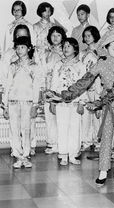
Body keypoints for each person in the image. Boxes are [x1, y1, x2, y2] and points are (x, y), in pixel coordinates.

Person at [46, 32, 114, 184]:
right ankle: (103, 170)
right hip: (108, 103)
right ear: (105, 47)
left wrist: (98, 103)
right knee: (106, 135)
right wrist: (64, 95)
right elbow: (84, 82)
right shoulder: (100, 63)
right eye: (113, 46)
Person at [2, 36, 41, 168]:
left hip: (27, 102)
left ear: (29, 48)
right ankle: (17, 155)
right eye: (17, 48)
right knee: (14, 129)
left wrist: (35, 104)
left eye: (22, 47)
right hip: (13, 101)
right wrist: (5, 105)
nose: (19, 50)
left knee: (26, 129)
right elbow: (7, 85)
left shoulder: (34, 66)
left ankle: (25, 155)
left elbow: (36, 86)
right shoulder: (13, 66)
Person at [50, 38, 86, 165]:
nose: (65, 48)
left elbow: (83, 85)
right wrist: (53, 102)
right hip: (61, 101)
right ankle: (63, 154)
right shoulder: (58, 65)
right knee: (62, 126)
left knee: (75, 128)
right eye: (64, 46)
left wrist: (82, 102)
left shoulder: (80, 65)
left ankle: (73, 154)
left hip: (75, 101)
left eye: (69, 46)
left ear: (75, 49)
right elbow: (54, 84)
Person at [43, 26, 66, 155]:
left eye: (58, 35)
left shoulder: (66, 51)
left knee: (61, 117)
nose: (55, 38)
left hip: (61, 87)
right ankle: (52, 143)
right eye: (53, 35)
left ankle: (62, 143)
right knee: (49, 115)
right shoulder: (46, 52)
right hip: (47, 86)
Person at [79, 26, 102, 150]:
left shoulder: (101, 51)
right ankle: (86, 141)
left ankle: (98, 142)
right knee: (86, 116)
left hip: (98, 84)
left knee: (98, 114)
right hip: (86, 86)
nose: (87, 38)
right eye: (85, 36)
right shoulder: (82, 53)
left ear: (95, 36)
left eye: (89, 35)